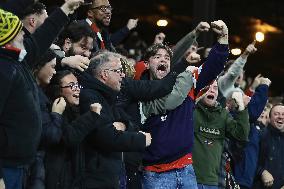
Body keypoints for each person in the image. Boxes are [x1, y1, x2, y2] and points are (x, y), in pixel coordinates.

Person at [0, 1, 84, 188]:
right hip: (7, 167)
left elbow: (40, 40)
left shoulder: (15, 62)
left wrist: (65, 10)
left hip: (21, 164)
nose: (25, 37)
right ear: (7, 40)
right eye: (20, 35)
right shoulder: (3, 69)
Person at [140, 20, 230, 189]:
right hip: (154, 173)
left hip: (186, 168)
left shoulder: (186, 81)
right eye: (157, 57)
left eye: (167, 57)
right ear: (147, 63)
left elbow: (212, 67)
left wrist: (223, 39)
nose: (163, 60)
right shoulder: (138, 90)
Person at [79, 51, 152, 188]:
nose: (123, 75)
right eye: (118, 71)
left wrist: (121, 126)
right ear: (105, 74)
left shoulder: (107, 97)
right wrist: (141, 139)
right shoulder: (90, 97)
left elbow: (131, 125)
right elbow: (106, 137)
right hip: (95, 180)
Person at [253, 104, 284, 189]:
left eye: (283, 114)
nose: (280, 117)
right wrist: (262, 172)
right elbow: (248, 161)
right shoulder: (260, 136)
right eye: (276, 114)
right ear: (269, 118)